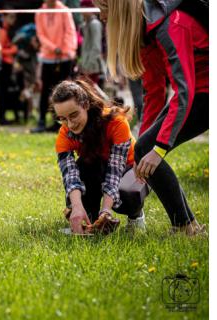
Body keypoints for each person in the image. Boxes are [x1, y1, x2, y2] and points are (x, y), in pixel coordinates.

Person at [95, 0, 209, 235]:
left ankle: (185, 227)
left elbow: (183, 90)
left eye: (103, 8)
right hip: (196, 92)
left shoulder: (172, 26)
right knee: (144, 148)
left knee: (150, 149)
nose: (100, 16)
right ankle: (188, 227)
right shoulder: (145, 32)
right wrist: (141, 152)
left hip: (206, 94)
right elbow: (154, 92)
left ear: (118, 9)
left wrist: (158, 150)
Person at [53, 80, 146, 234]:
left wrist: (106, 209)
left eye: (74, 115)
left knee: (128, 196)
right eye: (62, 118)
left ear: (86, 105)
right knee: (75, 194)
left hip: (129, 169)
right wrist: (76, 207)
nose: (70, 124)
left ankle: (136, 216)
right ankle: (91, 219)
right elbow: (70, 176)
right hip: (96, 168)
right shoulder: (64, 135)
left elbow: (115, 171)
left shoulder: (116, 122)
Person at [33, 0, 78, 133]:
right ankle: (41, 121)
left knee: (63, 91)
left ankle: (60, 122)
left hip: (64, 57)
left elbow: (70, 31)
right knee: (45, 91)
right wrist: (54, 48)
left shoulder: (65, 10)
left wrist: (65, 50)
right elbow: (40, 35)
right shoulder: (40, 13)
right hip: (47, 57)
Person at [0, 12, 19, 124]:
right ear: (4, 17)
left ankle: (3, 117)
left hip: (7, 64)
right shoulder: (2, 31)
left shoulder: (7, 30)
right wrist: (13, 50)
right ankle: (2, 117)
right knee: (3, 92)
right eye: (11, 17)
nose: (13, 20)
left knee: (6, 91)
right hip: (4, 65)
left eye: (14, 17)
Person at [77, 0, 106, 86]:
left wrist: (89, 66)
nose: (82, 10)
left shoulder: (95, 24)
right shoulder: (84, 24)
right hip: (86, 64)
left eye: (84, 8)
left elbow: (96, 47)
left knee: (93, 91)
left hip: (92, 66)